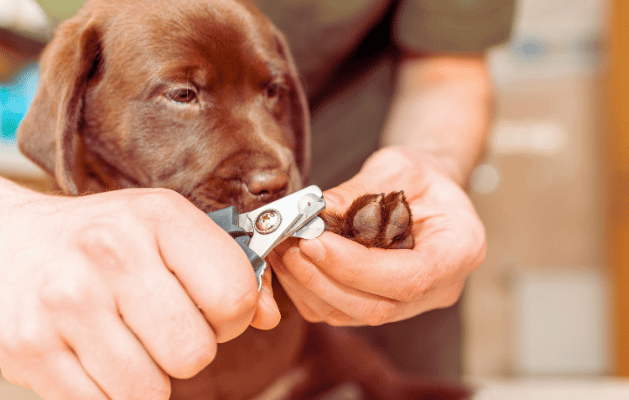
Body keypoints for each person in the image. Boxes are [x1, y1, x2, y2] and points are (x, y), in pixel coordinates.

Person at [0, 0, 515, 398]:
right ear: (75, 103)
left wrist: (429, 168)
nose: (270, 165)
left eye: (271, 92)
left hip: (342, 293)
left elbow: (448, 66)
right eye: (183, 94)